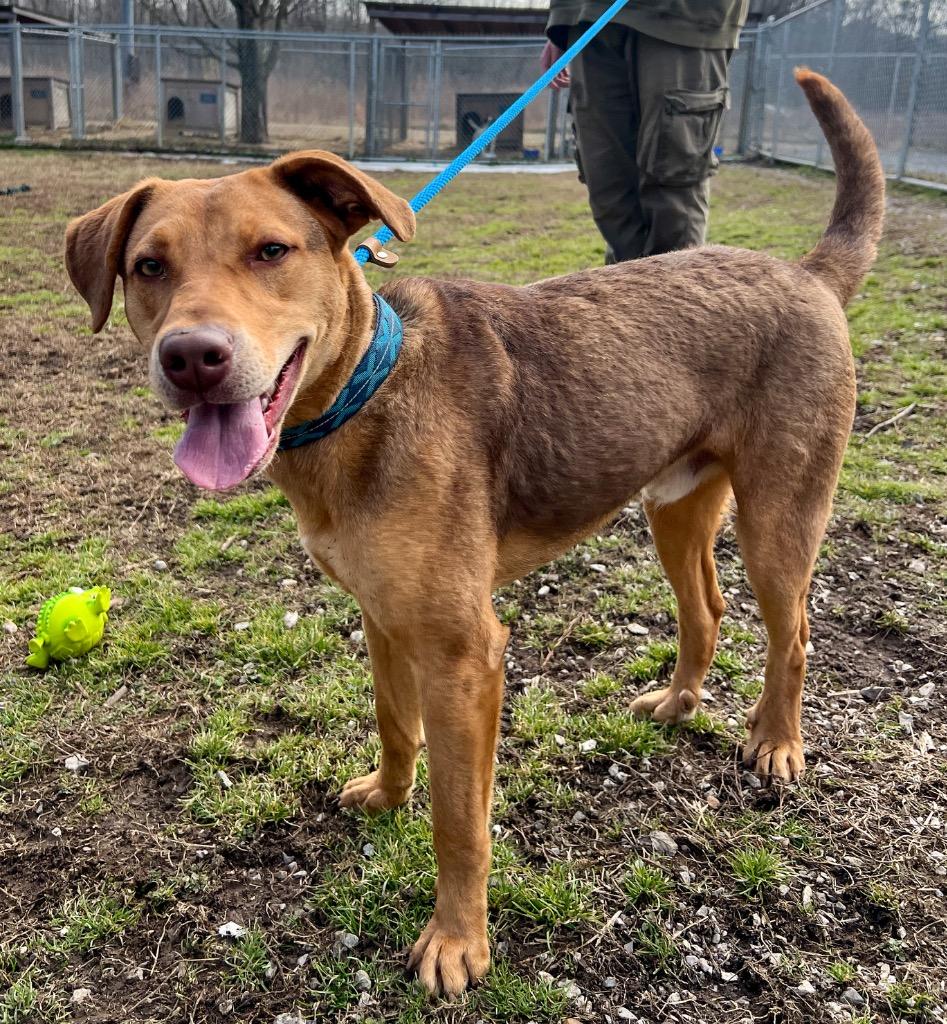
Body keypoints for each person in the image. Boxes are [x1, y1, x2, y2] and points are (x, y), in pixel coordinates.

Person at [542, 0, 750, 263]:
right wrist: (562, 20)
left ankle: (674, 299)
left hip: (684, 15)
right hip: (587, 16)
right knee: (608, 186)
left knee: (673, 180)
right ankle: (626, 299)